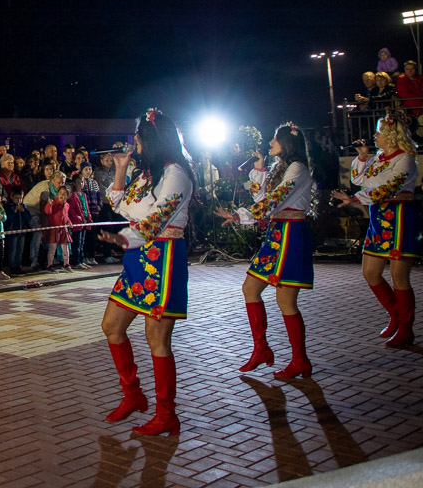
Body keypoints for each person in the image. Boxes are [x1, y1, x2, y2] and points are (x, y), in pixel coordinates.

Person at [97, 110, 195, 437]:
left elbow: (156, 220)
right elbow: (119, 204)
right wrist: (121, 169)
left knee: (157, 339)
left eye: (138, 136)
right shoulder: (147, 174)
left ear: (152, 138)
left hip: (164, 258)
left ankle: (167, 414)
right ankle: (133, 394)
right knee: (111, 326)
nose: (134, 141)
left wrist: (123, 237)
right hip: (137, 256)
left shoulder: (175, 174)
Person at [214, 123, 315, 379]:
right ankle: (261, 348)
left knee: (286, 301)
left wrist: (239, 216)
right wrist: (259, 169)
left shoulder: (297, 169)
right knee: (250, 288)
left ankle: (300, 360)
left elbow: (274, 200)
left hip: (292, 234)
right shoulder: (279, 168)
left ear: (288, 143)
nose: (270, 143)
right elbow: (262, 199)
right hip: (277, 233)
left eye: (275, 139)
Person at [332, 115, 421, 347]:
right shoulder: (378, 158)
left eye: (379, 132)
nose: (375, 136)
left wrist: (355, 199)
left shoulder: (405, 160)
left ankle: (406, 328)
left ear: (391, 136)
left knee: (399, 276)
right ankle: (395, 315)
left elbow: (388, 188)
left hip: (399, 219)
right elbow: (360, 179)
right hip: (379, 218)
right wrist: (363, 157)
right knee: (370, 273)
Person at [3, 188, 30, 275]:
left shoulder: (23, 206)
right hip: (13, 232)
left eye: (21, 198)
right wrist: (14, 211)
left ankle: (18, 265)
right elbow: (7, 219)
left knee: (20, 250)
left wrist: (24, 211)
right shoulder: (8, 206)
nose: (19, 200)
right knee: (13, 250)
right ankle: (12, 266)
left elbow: (28, 218)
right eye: (17, 198)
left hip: (22, 232)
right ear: (12, 197)